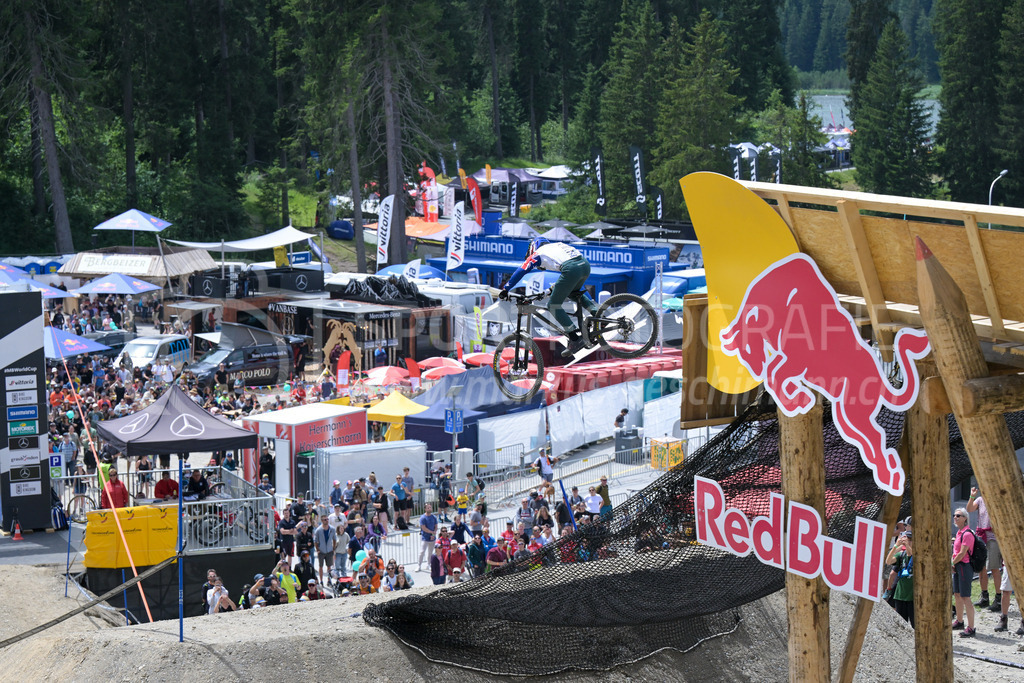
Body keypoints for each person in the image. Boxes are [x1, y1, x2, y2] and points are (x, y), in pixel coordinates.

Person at [498, 237, 599, 357]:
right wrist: (549, 290)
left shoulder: (538, 253)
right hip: (585, 265)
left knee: (553, 305)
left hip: (571, 268)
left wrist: (506, 289)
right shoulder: (556, 246)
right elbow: (566, 277)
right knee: (573, 292)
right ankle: (598, 314)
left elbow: (522, 270)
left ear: (533, 247)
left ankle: (574, 338)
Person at [966, 486, 1002, 611]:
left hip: (994, 538)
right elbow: (969, 509)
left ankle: (998, 599)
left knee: (994, 568)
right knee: (981, 568)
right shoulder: (981, 500)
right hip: (981, 537)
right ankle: (984, 597)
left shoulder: (999, 499)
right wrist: (972, 496)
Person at [951, 507, 976, 637]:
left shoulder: (967, 534)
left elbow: (962, 553)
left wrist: (951, 563)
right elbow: (956, 552)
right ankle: (959, 621)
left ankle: (971, 627)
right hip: (957, 565)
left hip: (964, 566)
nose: (955, 517)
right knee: (957, 594)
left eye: (958, 515)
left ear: (965, 518)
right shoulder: (959, 533)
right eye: (955, 515)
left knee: (966, 597)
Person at [884, 531, 914, 626]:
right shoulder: (901, 555)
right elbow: (888, 561)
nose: (907, 542)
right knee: (902, 624)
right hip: (900, 595)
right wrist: (895, 546)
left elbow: (911, 556)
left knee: (915, 624)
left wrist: (908, 546)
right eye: (906, 540)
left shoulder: (919, 554)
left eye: (910, 540)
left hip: (913, 596)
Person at [313, 515, 337, 585]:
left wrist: (333, 548)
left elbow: (334, 539)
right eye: (325, 520)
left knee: (329, 566)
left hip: (329, 550)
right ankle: (321, 580)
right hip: (321, 550)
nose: (326, 521)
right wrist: (317, 549)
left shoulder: (332, 529)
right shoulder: (318, 530)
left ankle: (329, 580)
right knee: (321, 566)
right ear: (322, 521)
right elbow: (315, 541)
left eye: (327, 519)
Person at [418, 503, 438, 571]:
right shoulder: (423, 518)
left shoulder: (434, 517)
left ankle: (428, 564)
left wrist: (433, 534)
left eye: (430, 507)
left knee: (430, 552)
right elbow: (423, 528)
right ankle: (419, 565)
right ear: (425, 509)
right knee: (422, 551)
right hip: (425, 537)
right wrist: (431, 532)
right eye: (428, 508)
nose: (429, 509)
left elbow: (436, 527)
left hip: (432, 538)